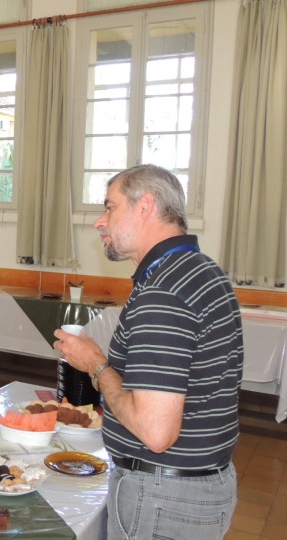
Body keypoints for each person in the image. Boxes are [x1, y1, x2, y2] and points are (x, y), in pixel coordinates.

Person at [54, 164, 242, 539]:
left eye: (110, 207)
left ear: (145, 207)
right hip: (197, 484)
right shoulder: (203, 271)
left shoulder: (164, 292)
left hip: (163, 495)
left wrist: (96, 366)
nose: (100, 222)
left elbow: (155, 432)